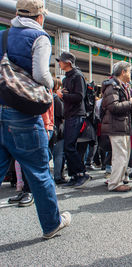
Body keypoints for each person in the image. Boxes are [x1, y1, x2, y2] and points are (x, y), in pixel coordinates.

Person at [0, 0, 70, 239]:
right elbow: (40, 73)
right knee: (39, 170)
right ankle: (51, 224)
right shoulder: (39, 37)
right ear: (40, 16)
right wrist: (51, 85)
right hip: (22, 114)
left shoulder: (3, 36)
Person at [101, 61, 132, 192]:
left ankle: (119, 179)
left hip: (123, 126)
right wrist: (130, 102)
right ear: (123, 72)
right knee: (120, 156)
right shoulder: (112, 86)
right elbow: (113, 106)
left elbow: (127, 107)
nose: (130, 75)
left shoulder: (122, 86)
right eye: (129, 72)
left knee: (123, 155)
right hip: (116, 126)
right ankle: (114, 183)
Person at [57, 51, 91, 188]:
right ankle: (74, 175)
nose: (59, 62)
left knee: (69, 146)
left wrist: (63, 96)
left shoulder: (77, 76)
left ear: (68, 63)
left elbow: (79, 96)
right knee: (68, 147)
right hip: (70, 115)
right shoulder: (67, 78)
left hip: (77, 115)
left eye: (60, 60)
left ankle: (82, 173)